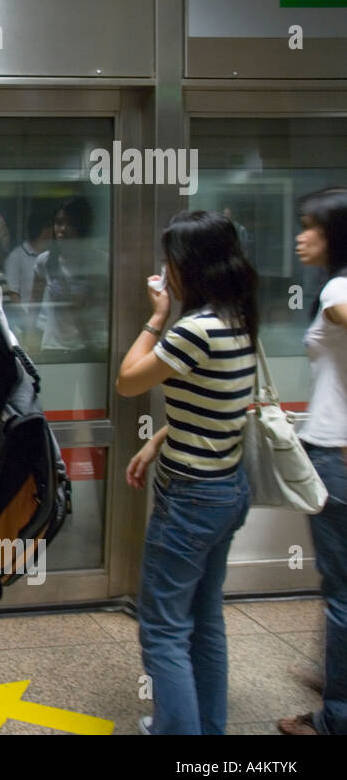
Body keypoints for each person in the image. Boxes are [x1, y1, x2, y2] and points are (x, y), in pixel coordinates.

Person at [116, 210, 258, 735]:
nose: (164, 268)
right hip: (227, 487)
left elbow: (128, 382)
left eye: (169, 258)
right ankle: (206, 730)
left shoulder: (193, 330)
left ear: (188, 266)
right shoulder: (239, 316)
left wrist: (157, 317)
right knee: (205, 619)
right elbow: (222, 403)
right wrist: (159, 438)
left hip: (192, 498)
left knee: (162, 629)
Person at [279, 187, 347, 736]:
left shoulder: (337, 289)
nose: (301, 236)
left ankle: (336, 719)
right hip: (332, 451)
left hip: (336, 456)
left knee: (342, 591)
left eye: (311, 226)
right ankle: (335, 677)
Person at [31, 196, 109, 357]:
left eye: (71, 224)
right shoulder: (45, 261)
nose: (63, 230)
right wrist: (31, 340)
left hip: (89, 347)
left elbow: (106, 307)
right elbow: (34, 305)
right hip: (54, 348)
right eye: (59, 223)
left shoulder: (101, 261)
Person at [4, 206, 52, 305]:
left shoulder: (50, 256)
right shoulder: (16, 256)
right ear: (44, 230)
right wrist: (24, 319)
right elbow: (13, 293)